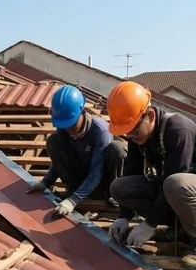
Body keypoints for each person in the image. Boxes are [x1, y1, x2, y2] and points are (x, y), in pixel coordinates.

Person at [106, 81, 196, 270]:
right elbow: (131, 170)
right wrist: (124, 217)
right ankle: (179, 229)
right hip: (180, 194)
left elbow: (176, 178)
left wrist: (149, 224)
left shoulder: (177, 130)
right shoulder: (139, 137)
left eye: (134, 130)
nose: (132, 136)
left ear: (150, 116)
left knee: (175, 183)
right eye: (128, 133)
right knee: (119, 187)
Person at [26, 85, 127, 217]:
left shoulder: (100, 130)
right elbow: (58, 160)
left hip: (103, 182)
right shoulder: (64, 128)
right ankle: (74, 189)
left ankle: (113, 194)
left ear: (82, 112)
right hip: (81, 179)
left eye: (72, 124)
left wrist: (73, 201)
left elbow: (98, 170)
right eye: (65, 125)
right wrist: (45, 182)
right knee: (54, 140)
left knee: (117, 148)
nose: (68, 129)